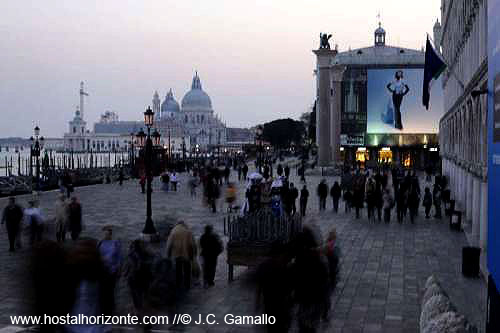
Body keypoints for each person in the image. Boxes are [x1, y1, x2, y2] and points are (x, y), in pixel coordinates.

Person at [124, 239, 153, 319]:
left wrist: (125, 275)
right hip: (144, 278)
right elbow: (151, 265)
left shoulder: (131, 255)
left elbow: (128, 266)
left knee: (135, 295)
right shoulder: (147, 254)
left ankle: (138, 311)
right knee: (144, 294)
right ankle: (145, 312)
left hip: (134, 278)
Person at [97, 225, 122, 315]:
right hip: (102, 270)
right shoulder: (100, 243)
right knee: (103, 290)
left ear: (111, 234)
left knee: (111, 290)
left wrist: (119, 269)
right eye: (105, 233)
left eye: (108, 233)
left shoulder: (116, 243)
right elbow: (96, 256)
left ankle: (111, 308)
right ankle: (103, 308)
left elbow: (119, 257)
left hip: (112, 270)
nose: (106, 235)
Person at [166, 221, 196, 290]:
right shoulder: (188, 231)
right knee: (187, 270)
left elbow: (169, 245)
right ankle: (187, 285)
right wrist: (193, 255)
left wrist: (168, 255)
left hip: (177, 254)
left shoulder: (173, 231)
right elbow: (192, 244)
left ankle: (178, 284)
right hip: (187, 254)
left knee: (178, 270)